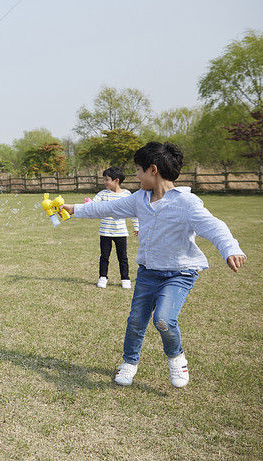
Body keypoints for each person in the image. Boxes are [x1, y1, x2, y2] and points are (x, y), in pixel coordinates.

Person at [61, 142, 246, 388]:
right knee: (136, 320)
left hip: (179, 273)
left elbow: (214, 227)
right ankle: (129, 362)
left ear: (152, 170)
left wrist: (230, 248)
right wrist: (75, 209)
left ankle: (176, 358)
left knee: (163, 319)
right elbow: (108, 207)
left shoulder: (186, 202)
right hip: (148, 272)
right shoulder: (139, 199)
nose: (136, 176)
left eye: (138, 170)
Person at [93, 166, 139, 289]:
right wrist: (87, 205)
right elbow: (93, 205)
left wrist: (136, 227)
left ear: (116, 180)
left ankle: (125, 278)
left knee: (123, 257)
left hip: (121, 232)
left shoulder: (127, 195)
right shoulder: (102, 194)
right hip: (105, 231)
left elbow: (133, 212)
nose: (105, 182)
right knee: (104, 256)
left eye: (107, 179)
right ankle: (103, 277)